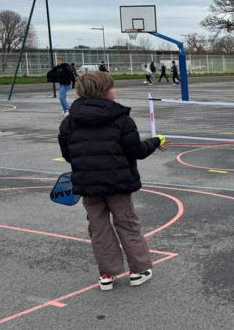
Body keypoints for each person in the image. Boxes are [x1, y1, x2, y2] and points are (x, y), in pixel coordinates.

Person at [58, 71, 166, 291]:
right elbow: (137, 151)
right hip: (118, 184)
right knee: (127, 224)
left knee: (98, 228)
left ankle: (107, 274)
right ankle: (139, 269)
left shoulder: (69, 123)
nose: (114, 91)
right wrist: (156, 141)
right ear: (104, 92)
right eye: (112, 88)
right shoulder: (122, 121)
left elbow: (70, 155)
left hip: (88, 185)